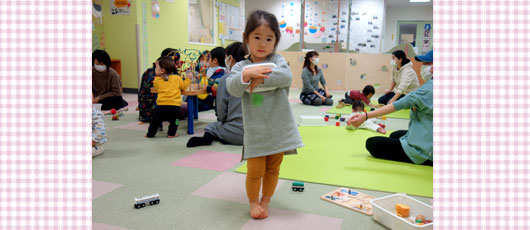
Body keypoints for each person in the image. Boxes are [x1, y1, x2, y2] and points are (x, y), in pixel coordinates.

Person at [226, 10, 304, 219]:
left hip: (279, 127)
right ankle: (253, 202)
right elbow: (232, 87)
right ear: (246, 39)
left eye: (269, 39)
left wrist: (260, 77)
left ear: (275, 41)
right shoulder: (241, 66)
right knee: (255, 171)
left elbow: (286, 76)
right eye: (257, 38)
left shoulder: (278, 60)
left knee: (273, 169)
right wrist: (246, 75)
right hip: (256, 130)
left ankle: (266, 200)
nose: (262, 44)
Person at [348, 50, 433, 166]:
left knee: (372, 143)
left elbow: (400, 101)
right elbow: (394, 82)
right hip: (428, 132)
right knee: (395, 135)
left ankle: (421, 154)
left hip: (426, 151)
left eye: (427, 63)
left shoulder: (425, 87)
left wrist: (365, 116)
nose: (424, 67)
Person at [186, 42, 246, 147]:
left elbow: (221, 110)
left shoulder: (227, 79)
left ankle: (211, 138)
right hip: (257, 134)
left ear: (230, 58)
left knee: (212, 127)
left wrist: (222, 121)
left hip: (238, 133)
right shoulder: (257, 78)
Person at [145, 57, 191, 138]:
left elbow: (157, 86)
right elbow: (183, 87)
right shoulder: (177, 78)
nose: (155, 69)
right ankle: (171, 133)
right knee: (175, 121)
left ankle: (150, 134)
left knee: (155, 121)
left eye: (156, 67)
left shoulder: (157, 80)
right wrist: (188, 79)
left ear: (162, 70)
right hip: (175, 106)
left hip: (161, 105)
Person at [138, 48, 181, 122]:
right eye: (176, 61)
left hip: (145, 111)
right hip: (154, 111)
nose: (178, 62)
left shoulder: (151, 70)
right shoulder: (160, 74)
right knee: (183, 109)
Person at [197, 47, 226, 111]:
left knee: (196, 104)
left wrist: (207, 88)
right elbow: (206, 75)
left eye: (209, 58)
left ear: (215, 60)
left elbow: (217, 86)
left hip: (213, 99)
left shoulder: (220, 71)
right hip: (208, 96)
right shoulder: (212, 69)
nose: (207, 60)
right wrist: (200, 76)